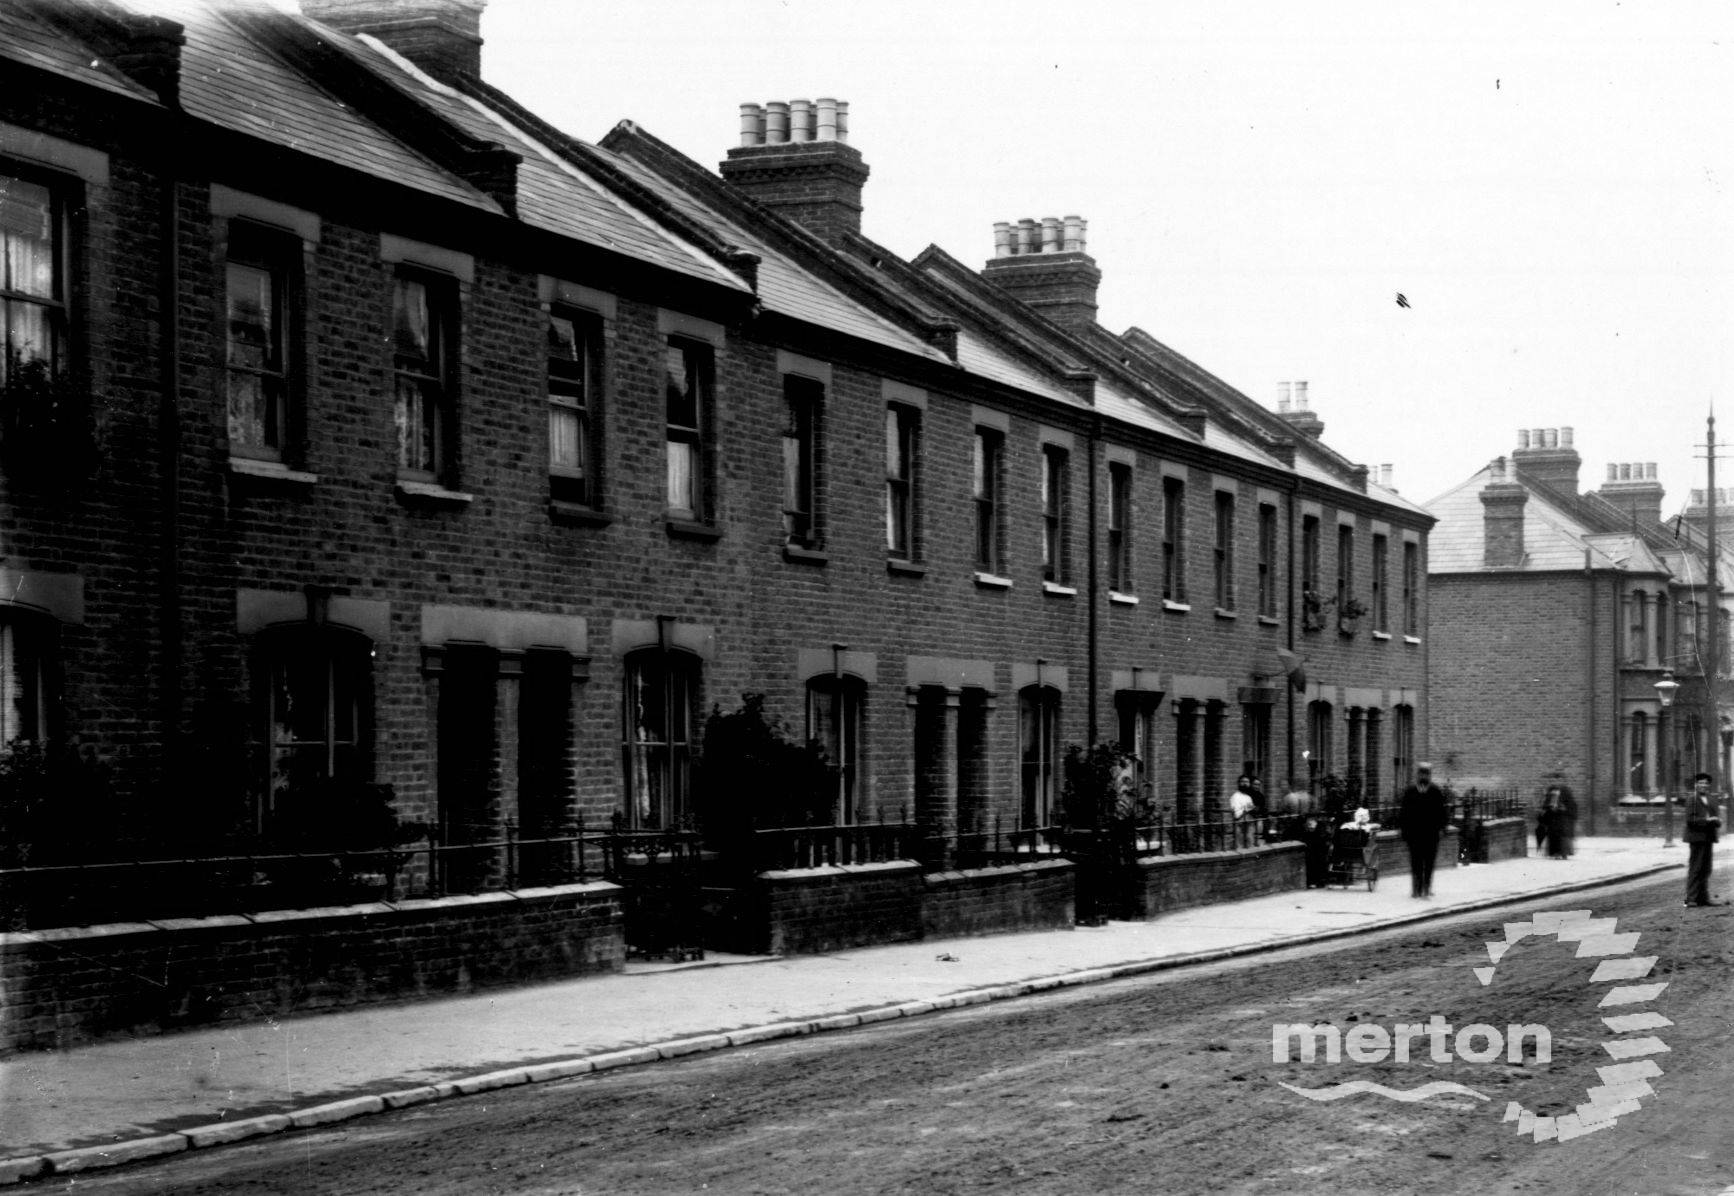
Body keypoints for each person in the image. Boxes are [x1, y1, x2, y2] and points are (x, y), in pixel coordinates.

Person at [1398, 762, 1451, 898]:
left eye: (1426, 773)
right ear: (1418, 775)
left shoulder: (1435, 791)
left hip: (1431, 834)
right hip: (1414, 834)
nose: (1424, 776)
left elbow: (1441, 812)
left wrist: (1442, 828)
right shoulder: (1410, 792)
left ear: (1429, 775)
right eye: (1421, 773)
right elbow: (1404, 813)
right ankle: (1416, 888)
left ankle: (1426, 888)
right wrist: (1403, 830)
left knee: (1429, 862)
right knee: (1416, 862)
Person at [1683, 771, 1723, 908]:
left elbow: (1716, 818)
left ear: (1709, 785)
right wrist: (1707, 820)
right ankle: (1691, 898)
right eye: (1700, 783)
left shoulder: (1712, 799)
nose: (1703, 785)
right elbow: (1690, 820)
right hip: (1696, 837)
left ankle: (1703, 898)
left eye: (1706, 783)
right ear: (1695, 785)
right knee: (1696, 868)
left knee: (1706, 868)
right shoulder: (1691, 799)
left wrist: (1717, 821)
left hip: (1709, 837)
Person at [1230, 778, 1258, 848]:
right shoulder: (1235, 797)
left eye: (1247, 782)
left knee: (1250, 846)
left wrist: (1254, 809)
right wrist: (1247, 809)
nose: (1245, 784)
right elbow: (1237, 815)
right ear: (1239, 783)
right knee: (1240, 847)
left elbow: (1251, 810)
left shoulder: (1248, 797)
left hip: (1249, 826)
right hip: (1240, 827)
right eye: (1243, 781)